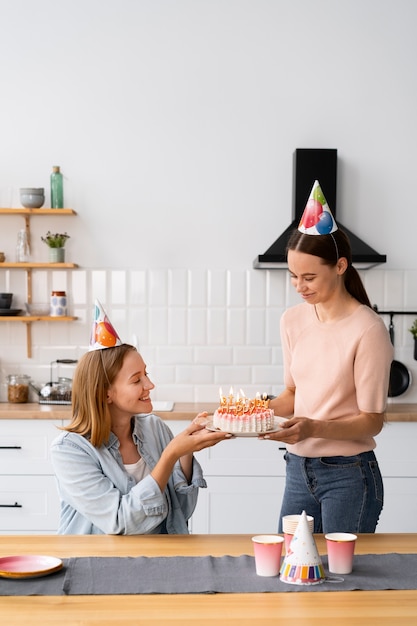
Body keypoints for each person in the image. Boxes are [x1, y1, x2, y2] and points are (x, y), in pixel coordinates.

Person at [260, 181, 393, 534]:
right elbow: (292, 396)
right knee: (292, 568)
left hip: (348, 475)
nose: (299, 286)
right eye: (292, 276)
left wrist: (314, 427)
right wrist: (247, 415)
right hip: (297, 469)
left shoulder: (368, 330)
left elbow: (372, 421)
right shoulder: (292, 320)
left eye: (308, 277)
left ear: (340, 266)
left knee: (344, 579)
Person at [50, 301, 230, 535]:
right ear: (105, 393)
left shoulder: (154, 428)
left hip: (156, 559)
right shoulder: (70, 451)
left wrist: (186, 452)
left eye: (146, 374)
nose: (150, 385)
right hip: (95, 563)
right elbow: (119, 522)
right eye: (137, 380)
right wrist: (171, 454)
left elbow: (180, 513)